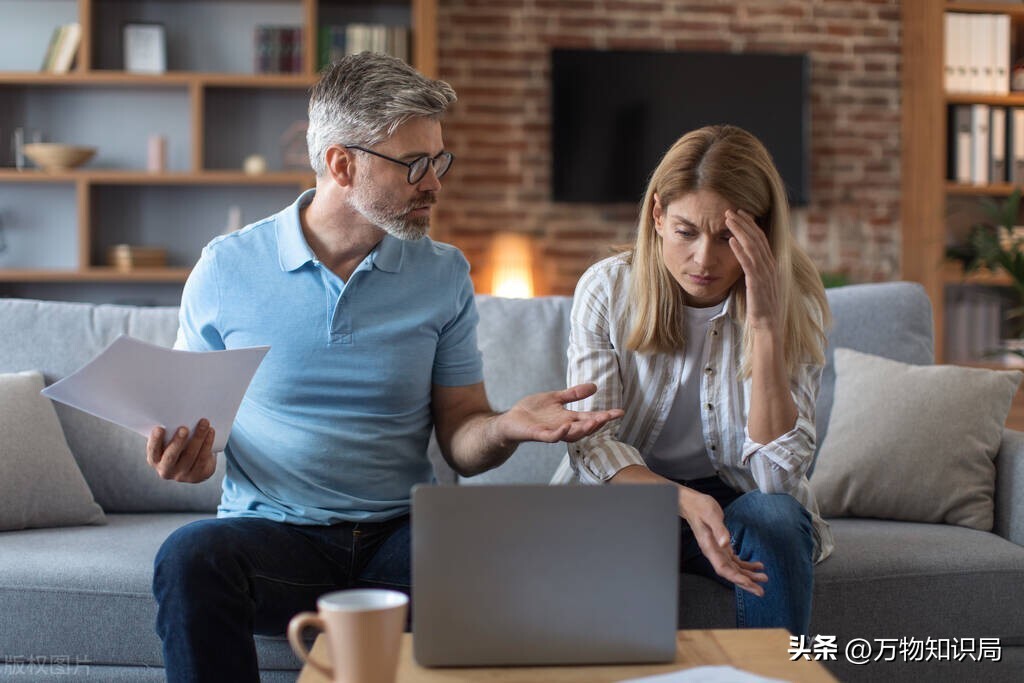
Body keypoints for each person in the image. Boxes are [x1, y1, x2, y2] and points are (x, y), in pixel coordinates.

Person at [146, 52, 622, 683]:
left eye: (439, 160)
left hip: (402, 538)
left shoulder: (442, 272)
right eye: (414, 165)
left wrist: (505, 425)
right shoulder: (227, 269)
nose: (435, 182)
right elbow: (193, 423)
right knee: (188, 557)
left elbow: (461, 436)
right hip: (277, 538)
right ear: (342, 166)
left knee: (506, 553)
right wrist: (193, 457)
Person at [551, 124, 833, 637]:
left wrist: (766, 324)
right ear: (657, 215)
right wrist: (678, 499)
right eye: (686, 231)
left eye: (728, 236)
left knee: (773, 518)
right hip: (632, 497)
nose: (705, 259)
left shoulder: (798, 304)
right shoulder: (607, 288)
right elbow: (591, 444)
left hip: (740, 499)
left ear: (762, 232)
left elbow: (776, 481)